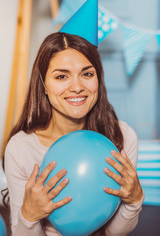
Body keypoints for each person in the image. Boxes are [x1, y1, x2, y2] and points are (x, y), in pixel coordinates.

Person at [4, 31, 144, 236]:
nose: (77, 87)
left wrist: (134, 201)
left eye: (87, 74)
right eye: (62, 76)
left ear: (98, 79)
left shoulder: (122, 136)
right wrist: (29, 215)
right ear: (43, 84)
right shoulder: (20, 148)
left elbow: (114, 232)